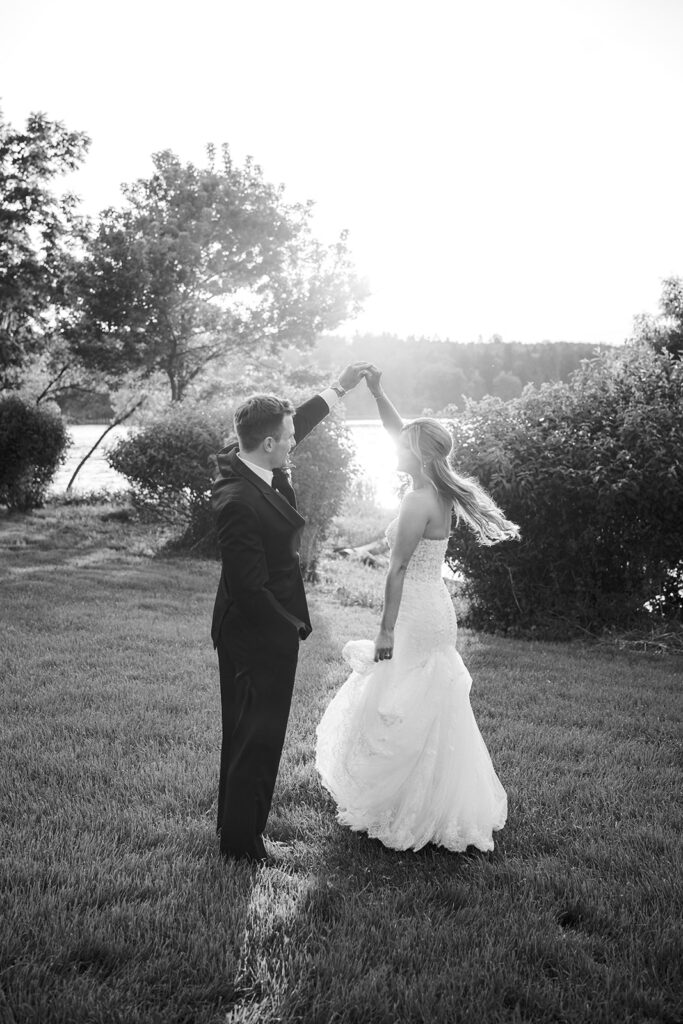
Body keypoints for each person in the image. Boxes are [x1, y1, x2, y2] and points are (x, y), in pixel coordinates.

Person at [315, 366, 520, 853]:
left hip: (413, 610)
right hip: (436, 608)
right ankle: (430, 800)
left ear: (419, 455)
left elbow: (397, 569)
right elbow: (401, 434)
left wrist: (385, 630)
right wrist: (379, 392)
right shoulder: (439, 491)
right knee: (427, 701)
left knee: (400, 700)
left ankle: (405, 805)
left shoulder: (416, 500)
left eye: (403, 447)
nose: (395, 450)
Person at [211, 362, 371, 863]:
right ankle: (243, 845)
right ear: (267, 444)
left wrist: (339, 388)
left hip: (256, 626)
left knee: (248, 734)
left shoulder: (249, 459)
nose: (294, 441)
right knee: (256, 738)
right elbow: (249, 588)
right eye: (287, 438)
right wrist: (290, 627)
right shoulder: (239, 499)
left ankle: (236, 830)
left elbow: (294, 421)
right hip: (257, 631)